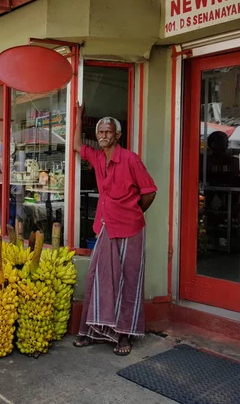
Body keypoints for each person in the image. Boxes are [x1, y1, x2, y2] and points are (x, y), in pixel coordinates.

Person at [73, 103, 157, 356]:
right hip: (106, 225)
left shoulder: (130, 159)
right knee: (98, 277)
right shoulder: (98, 157)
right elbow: (77, 145)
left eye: (108, 132)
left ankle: (123, 335)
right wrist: (78, 115)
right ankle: (94, 330)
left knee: (128, 281)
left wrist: (133, 212)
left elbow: (149, 192)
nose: (103, 136)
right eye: (100, 132)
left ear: (117, 135)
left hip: (130, 228)